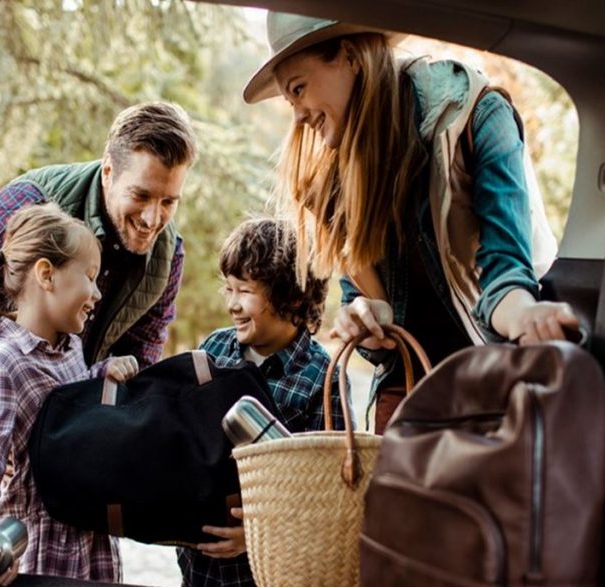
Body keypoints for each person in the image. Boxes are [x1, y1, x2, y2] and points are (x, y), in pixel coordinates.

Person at [244, 12, 580, 433]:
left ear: (349, 56)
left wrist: (527, 317)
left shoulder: (475, 115)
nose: (298, 117)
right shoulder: (332, 183)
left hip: (492, 381)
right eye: (289, 102)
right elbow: (365, 304)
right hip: (407, 397)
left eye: (299, 90)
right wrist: (362, 317)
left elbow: (506, 276)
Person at [0, 101, 197, 564]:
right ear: (107, 171)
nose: (152, 218)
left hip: (56, 425)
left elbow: (138, 372)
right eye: (141, 195)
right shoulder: (30, 201)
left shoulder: (167, 257)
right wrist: (4, 427)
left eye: (169, 201)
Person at [0, 203, 139, 587]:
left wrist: (101, 375)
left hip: (91, 543)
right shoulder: (6, 364)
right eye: (91, 277)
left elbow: (68, 411)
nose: (97, 293)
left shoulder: (70, 347)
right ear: (46, 275)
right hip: (45, 552)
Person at [177, 217, 350, 587]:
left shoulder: (324, 380)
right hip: (198, 573)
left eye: (245, 291)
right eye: (228, 289)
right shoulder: (214, 350)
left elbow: (325, 496)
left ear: (293, 297)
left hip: (268, 579)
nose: (233, 305)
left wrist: (254, 536)